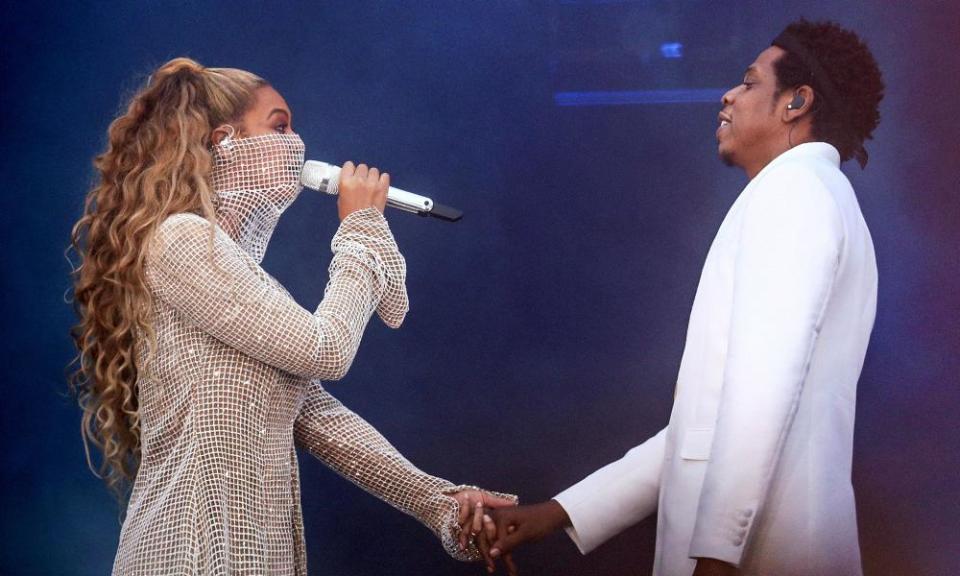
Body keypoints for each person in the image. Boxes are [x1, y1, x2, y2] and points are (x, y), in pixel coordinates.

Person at [68, 57, 514, 575]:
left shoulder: (233, 270)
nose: (297, 144)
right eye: (279, 126)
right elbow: (325, 350)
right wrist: (362, 230)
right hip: (190, 555)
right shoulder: (181, 241)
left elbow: (320, 416)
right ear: (225, 141)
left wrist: (442, 502)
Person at [479, 19, 884, 576]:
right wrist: (560, 512)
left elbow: (761, 394)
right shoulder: (811, 194)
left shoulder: (794, 193)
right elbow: (704, 428)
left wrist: (717, 556)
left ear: (796, 102)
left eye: (747, 82)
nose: (727, 94)